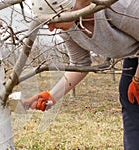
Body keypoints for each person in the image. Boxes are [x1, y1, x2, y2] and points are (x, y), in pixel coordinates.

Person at [24, 0, 139, 149]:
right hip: (134, 57)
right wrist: (52, 95)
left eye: (52, 21)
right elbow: (79, 64)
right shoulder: (68, 29)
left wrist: (137, 79)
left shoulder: (115, 7)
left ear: (67, 9)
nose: (51, 29)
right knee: (131, 101)